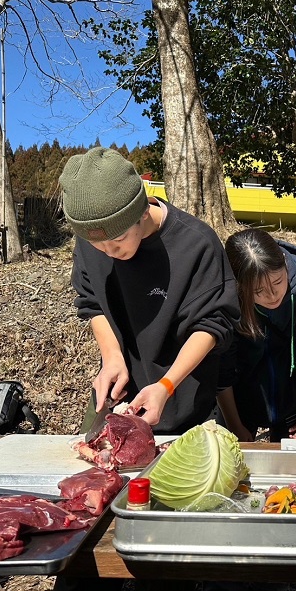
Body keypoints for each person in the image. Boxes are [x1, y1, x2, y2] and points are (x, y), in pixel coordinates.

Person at [59, 147, 240, 433]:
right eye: (98, 245)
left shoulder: (196, 245)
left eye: (118, 239)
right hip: (114, 402)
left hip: (181, 402)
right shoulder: (91, 237)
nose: (109, 252)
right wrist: (112, 357)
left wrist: (166, 386)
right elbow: (93, 303)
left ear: (143, 211)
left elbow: (213, 325)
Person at [215, 228, 296, 442]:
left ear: (284, 263)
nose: (272, 296)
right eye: (258, 291)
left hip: (292, 394)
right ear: (240, 287)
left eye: (278, 282)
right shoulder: (226, 300)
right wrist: (235, 425)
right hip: (240, 396)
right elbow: (221, 369)